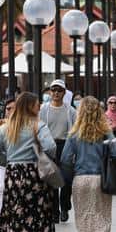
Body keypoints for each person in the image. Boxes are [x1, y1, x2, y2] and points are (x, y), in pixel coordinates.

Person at [0, 92, 57, 232]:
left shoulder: (6, 127)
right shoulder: (38, 125)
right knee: (38, 214)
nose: (40, 106)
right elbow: (51, 147)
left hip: (14, 175)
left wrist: (7, 161)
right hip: (35, 175)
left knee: (18, 217)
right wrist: (40, 156)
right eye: (37, 104)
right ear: (30, 106)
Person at [60, 96, 116, 232]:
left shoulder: (74, 133)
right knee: (102, 215)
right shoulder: (105, 132)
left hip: (80, 179)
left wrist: (74, 169)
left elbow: (65, 159)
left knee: (83, 217)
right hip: (100, 179)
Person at [39, 79, 77, 223]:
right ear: (49, 92)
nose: (56, 93)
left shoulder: (70, 110)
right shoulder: (44, 109)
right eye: (53, 90)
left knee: (67, 179)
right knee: (52, 181)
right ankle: (54, 211)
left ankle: (65, 207)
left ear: (64, 92)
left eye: (59, 90)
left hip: (66, 145)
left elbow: (76, 130)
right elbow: (38, 127)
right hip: (49, 145)